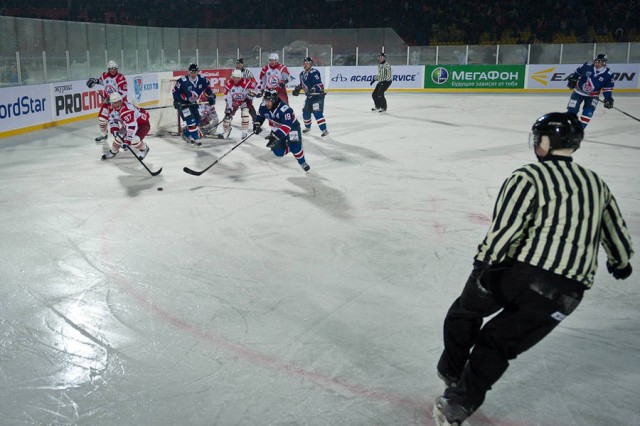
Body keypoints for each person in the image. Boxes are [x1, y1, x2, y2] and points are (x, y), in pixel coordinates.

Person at [433, 112, 634, 426]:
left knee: (464, 312)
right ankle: (457, 406)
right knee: (498, 344)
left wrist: (482, 265)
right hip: (568, 291)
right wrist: (620, 263)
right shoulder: (597, 184)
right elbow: (617, 236)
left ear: (545, 142)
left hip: (519, 273)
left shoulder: (528, 176)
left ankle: (452, 370)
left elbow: (506, 229)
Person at [253, 89, 310, 172]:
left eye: (269, 101)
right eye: (265, 100)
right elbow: (261, 115)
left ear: (274, 100)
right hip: (276, 129)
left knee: (296, 148)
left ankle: (302, 162)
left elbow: (287, 126)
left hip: (292, 127)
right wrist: (257, 123)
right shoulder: (263, 106)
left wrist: (276, 136)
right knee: (278, 152)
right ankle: (290, 146)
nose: (267, 103)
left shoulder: (285, 109)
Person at [172, 63, 216, 146]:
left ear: (198, 72)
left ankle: (186, 134)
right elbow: (175, 91)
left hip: (193, 103)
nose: (193, 74)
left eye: (195, 72)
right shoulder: (182, 80)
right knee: (191, 121)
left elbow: (207, 89)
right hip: (183, 104)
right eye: (191, 72)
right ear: (188, 72)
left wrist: (211, 96)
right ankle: (196, 140)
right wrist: (176, 101)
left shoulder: (202, 79)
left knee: (197, 120)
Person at [566, 53, 615, 128]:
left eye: (599, 62)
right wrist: (573, 79)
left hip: (593, 96)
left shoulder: (608, 74)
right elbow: (576, 73)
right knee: (572, 110)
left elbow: (607, 89)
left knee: (588, 113)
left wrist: (608, 98)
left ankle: (579, 130)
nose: (597, 63)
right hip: (578, 93)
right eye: (596, 61)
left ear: (604, 63)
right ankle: (568, 128)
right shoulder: (587, 66)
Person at [86, 60, 128, 142]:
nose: (113, 70)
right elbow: (102, 82)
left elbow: (123, 92)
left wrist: (112, 98)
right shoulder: (104, 75)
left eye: (115, 68)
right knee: (102, 119)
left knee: (123, 121)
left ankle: (126, 138)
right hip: (108, 103)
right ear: (108, 69)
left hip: (119, 103)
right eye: (111, 69)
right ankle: (103, 135)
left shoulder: (121, 78)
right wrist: (95, 81)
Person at [101, 92, 151, 161]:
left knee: (134, 141)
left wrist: (127, 141)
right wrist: (115, 131)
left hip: (142, 125)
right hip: (128, 125)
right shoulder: (112, 109)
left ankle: (145, 149)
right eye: (114, 102)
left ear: (121, 101)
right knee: (118, 139)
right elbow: (112, 120)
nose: (116, 104)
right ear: (112, 103)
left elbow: (132, 126)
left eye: (118, 102)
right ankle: (113, 152)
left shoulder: (126, 111)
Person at [292, 56, 329, 137]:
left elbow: (319, 84)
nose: (306, 64)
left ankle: (324, 130)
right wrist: (297, 89)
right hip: (309, 97)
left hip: (317, 96)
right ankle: (308, 127)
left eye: (308, 63)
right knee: (305, 112)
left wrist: (313, 89)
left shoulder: (314, 72)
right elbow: (302, 84)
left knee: (317, 112)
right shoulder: (302, 74)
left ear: (311, 64)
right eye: (305, 63)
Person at [220, 69, 259, 139]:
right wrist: (229, 107)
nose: (236, 79)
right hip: (233, 102)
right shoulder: (228, 84)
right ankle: (226, 131)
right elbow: (227, 97)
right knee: (227, 117)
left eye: (237, 78)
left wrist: (254, 93)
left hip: (245, 101)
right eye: (234, 77)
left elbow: (257, 87)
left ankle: (244, 132)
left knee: (245, 115)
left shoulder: (246, 82)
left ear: (240, 77)